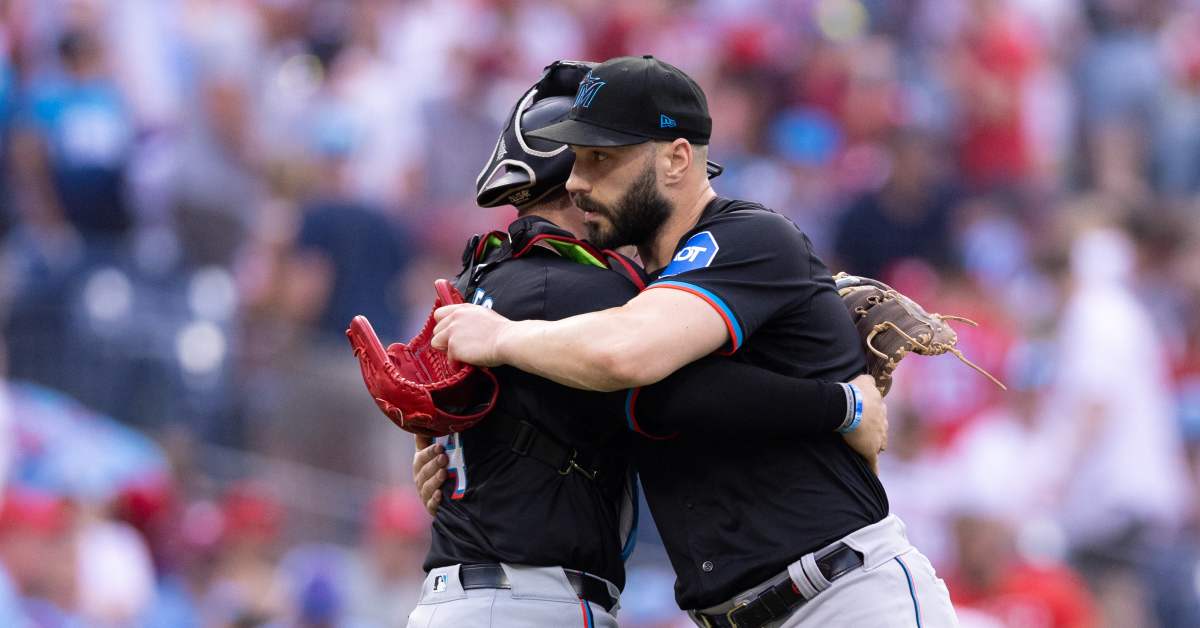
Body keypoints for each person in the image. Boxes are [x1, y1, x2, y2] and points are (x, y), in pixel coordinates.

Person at [430, 55, 957, 627]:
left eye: (600, 159)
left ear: (677, 158)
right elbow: (641, 395)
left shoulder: (748, 235)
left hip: (844, 598)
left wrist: (504, 337)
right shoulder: (627, 299)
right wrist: (459, 458)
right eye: (577, 160)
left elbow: (625, 355)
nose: (577, 182)